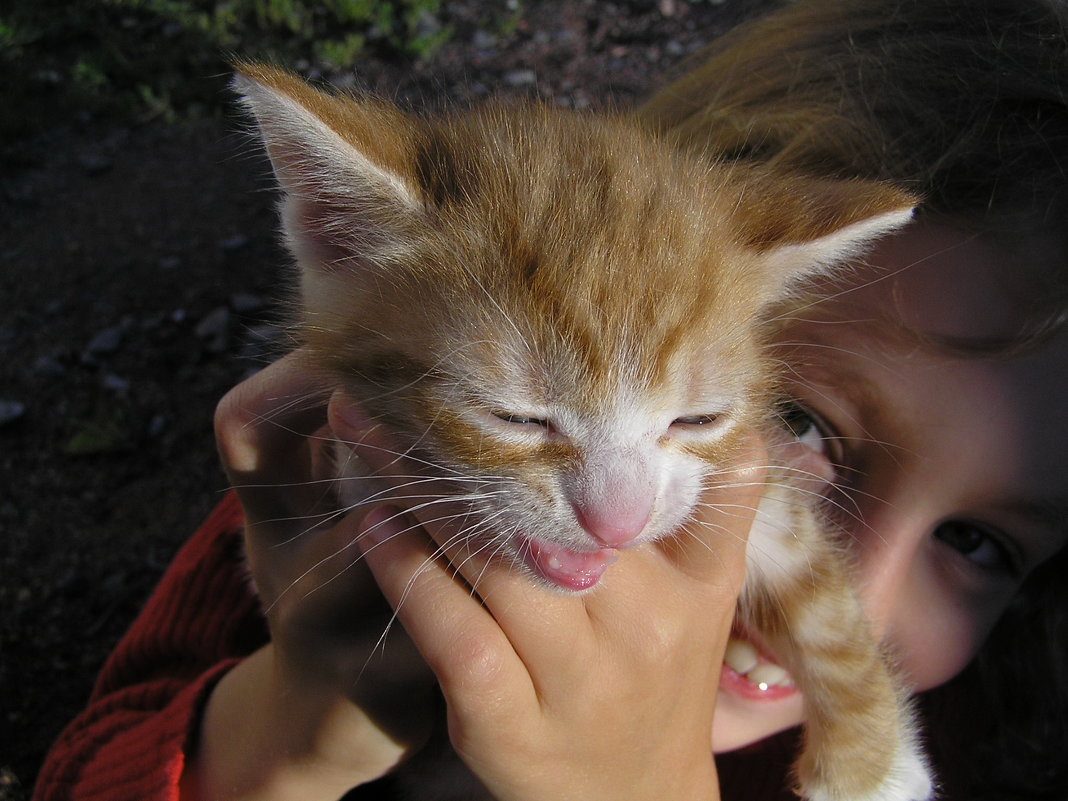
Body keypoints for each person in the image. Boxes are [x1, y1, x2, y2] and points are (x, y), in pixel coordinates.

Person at [32, 0, 1068, 799]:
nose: (620, 516)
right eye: (795, 420)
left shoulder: (999, 743)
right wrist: (300, 715)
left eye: (982, 544)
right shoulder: (323, 494)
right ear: (340, 246)